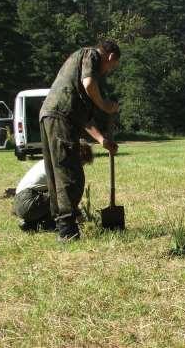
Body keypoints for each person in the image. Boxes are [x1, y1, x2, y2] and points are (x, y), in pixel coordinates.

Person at [39, 41, 120, 241]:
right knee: (69, 173)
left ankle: (59, 223)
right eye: (113, 66)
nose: (109, 71)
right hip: (60, 116)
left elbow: (83, 118)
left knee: (56, 172)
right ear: (110, 57)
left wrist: (102, 140)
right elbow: (89, 84)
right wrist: (105, 106)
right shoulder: (91, 55)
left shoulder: (78, 67)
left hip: (51, 114)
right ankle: (67, 230)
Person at [13, 141, 94, 232]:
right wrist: (81, 220)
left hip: (19, 202)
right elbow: (66, 195)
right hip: (28, 202)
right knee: (63, 194)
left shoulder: (52, 160)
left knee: (54, 195)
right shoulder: (61, 167)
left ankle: (30, 224)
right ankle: (56, 223)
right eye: (82, 163)